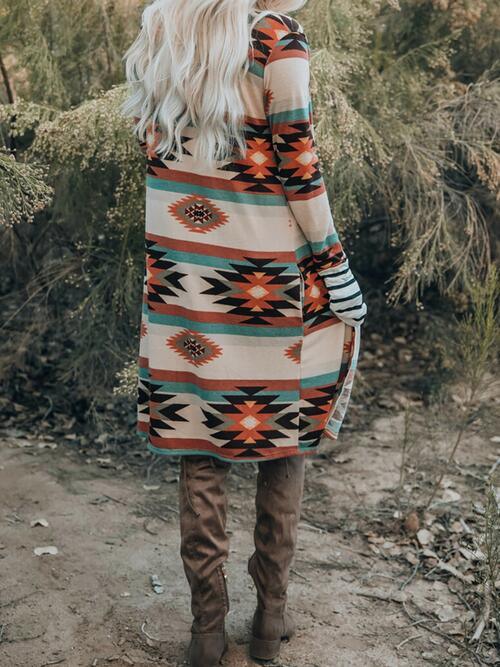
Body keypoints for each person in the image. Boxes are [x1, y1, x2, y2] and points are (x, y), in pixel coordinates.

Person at [123, 1, 367, 664]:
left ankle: (206, 632)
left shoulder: (161, 32)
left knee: (201, 443)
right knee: (280, 438)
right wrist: (338, 267)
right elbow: (301, 167)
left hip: (185, 282)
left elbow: (160, 154)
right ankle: (268, 622)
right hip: (269, 285)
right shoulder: (275, 42)